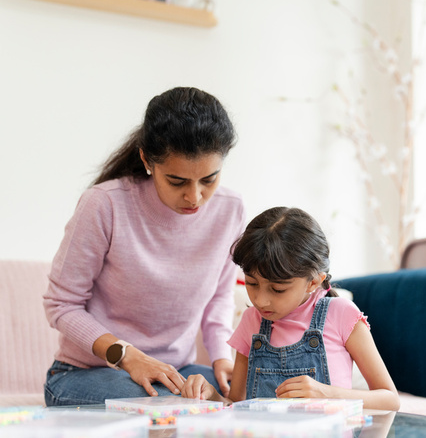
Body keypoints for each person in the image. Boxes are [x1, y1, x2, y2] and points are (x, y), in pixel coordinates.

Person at [43, 87, 246, 406]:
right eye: (177, 181)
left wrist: (221, 358)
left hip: (174, 372)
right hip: (86, 374)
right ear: (146, 160)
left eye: (209, 179)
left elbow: (219, 296)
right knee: (173, 403)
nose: (194, 197)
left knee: (250, 394)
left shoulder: (230, 210)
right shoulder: (105, 205)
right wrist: (127, 356)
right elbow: (61, 304)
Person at [181, 207, 401, 411]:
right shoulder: (251, 321)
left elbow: (390, 400)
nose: (261, 300)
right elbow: (237, 406)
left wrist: (327, 394)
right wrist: (210, 396)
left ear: (313, 282)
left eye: (277, 289)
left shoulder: (341, 314)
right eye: (252, 283)